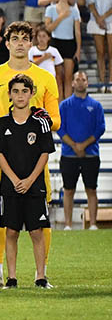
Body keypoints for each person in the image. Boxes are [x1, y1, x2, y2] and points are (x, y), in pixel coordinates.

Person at [0, 21, 59, 289]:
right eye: (15, 38)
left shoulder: (45, 78)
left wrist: (46, 118)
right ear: (7, 43)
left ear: (31, 43)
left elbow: (55, 120)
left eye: (25, 38)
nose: (20, 42)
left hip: (35, 160)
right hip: (2, 160)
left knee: (39, 220)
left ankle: (40, 274)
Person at [0, 74, 55, 289]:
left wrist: (29, 180)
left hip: (35, 186)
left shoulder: (41, 123)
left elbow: (45, 153)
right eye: (15, 91)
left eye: (24, 91)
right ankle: (12, 278)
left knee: (37, 231)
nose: (20, 95)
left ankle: (41, 277)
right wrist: (16, 179)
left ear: (32, 93)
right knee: (11, 231)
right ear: (9, 94)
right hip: (10, 187)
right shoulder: (2, 123)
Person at [58, 71, 105, 229]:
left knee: (91, 189)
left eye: (83, 79)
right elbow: (60, 129)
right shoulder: (64, 106)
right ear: (72, 83)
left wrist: (83, 146)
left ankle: (92, 224)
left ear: (87, 83)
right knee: (68, 190)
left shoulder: (96, 106)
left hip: (90, 154)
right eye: (77, 79)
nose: (79, 82)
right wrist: (74, 146)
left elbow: (100, 128)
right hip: (68, 155)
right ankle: (68, 224)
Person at [44, 0, 81, 97]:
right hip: (56, 42)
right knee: (58, 77)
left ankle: (67, 104)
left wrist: (78, 49)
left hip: (69, 43)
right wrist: (61, 17)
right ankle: (59, 104)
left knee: (68, 78)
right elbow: (48, 28)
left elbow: (77, 31)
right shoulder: (50, 9)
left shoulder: (74, 11)